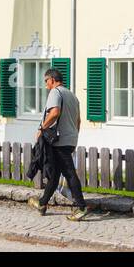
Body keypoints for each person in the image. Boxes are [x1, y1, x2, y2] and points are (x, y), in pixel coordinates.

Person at [27, 67, 91, 221]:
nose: (45, 85)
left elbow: (54, 112)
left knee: (69, 172)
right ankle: (42, 203)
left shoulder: (56, 92)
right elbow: (78, 121)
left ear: (52, 79)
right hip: (70, 138)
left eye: (46, 81)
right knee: (55, 174)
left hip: (59, 139)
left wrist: (41, 128)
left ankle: (81, 207)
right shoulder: (73, 96)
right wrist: (74, 137)